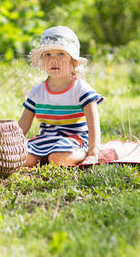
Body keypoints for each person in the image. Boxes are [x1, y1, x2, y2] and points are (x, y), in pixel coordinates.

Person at [18, 26, 104, 167]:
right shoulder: (37, 92)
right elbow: (23, 125)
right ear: (42, 60)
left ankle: (74, 154)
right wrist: (9, 144)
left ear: (73, 61)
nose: (54, 60)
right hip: (46, 139)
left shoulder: (81, 89)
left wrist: (93, 153)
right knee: (21, 159)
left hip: (74, 140)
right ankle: (44, 157)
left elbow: (93, 125)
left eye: (60, 54)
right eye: (48, 55)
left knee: (58, 159)